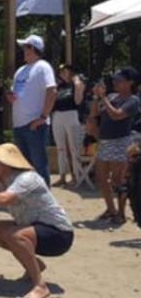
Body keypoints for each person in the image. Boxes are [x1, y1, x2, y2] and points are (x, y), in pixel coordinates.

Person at [0, 143, 74, 298]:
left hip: (59, 234)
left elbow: (3, 200)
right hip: (37, 230)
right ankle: (35, 266)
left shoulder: (26, 178)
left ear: (6, 163)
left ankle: (40, 286)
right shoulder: (6, 182)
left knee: (15, 235)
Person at [93, 69, 140, 224]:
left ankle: (121, 213)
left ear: (130, 82)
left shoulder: (133, 100)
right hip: (105, 141)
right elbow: (96, 113)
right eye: (114, 80)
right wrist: (97, 97)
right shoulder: (112, 97)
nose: (115, 83)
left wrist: (103, 98)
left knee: (118, 180)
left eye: (119, 80)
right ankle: (110, 209)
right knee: (101, 178)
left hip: (121, 141)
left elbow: (117, 115)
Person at [8, 34, 57, 184]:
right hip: (19, 124)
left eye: (26, 47)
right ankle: (28, 195)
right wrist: (10, 96)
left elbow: (52, 90)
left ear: (34, 49)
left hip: (34, 125)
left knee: (39, 164)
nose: (23, 50)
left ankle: (44, 195)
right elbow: (16, 94)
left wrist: (43, 117)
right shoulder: (20, 70)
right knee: (23, 166)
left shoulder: (43, 66)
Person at [51, 63, 85, 187]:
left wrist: (76, 82)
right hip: (58, 114)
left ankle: (76, 175)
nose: (62, 74)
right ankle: (62, 176)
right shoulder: (60, 86)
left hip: (71, 113)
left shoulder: (76, 84)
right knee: (60, 147)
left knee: (73, 147)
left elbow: (78, 100)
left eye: (65, 71)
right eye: (61, 72)